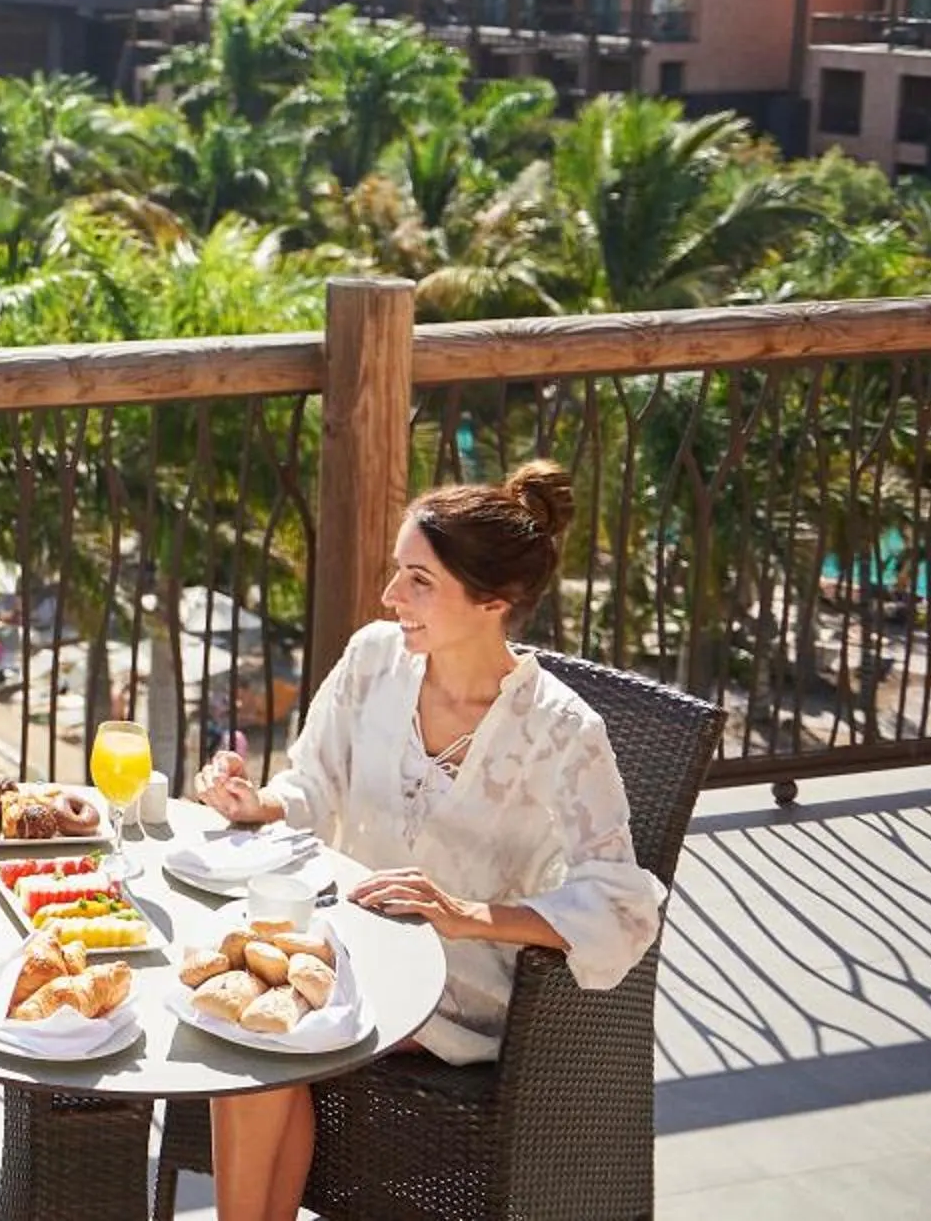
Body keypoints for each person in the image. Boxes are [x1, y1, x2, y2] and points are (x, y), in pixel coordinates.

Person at [189, 461, 666, 1221]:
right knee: (251, 1021)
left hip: (458, 984)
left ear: (493, 602)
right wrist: (257, 803)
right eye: (396, 573)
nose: (390, 598)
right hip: (349, 945)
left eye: (419, 581)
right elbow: (313, 788)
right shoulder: (376, 659)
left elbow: (621, 905)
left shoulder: (562, 730)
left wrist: (470, 914)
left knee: (263, 1037)